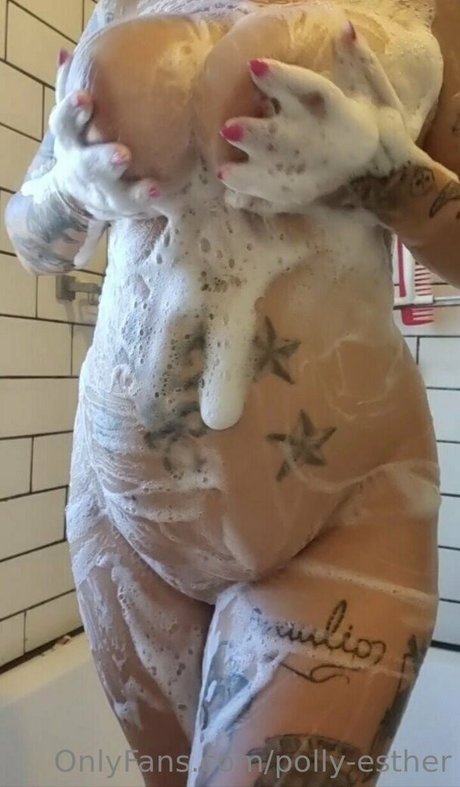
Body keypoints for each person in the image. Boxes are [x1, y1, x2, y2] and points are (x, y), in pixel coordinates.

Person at [5, 1, 460, 785]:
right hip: (123, 515)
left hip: (341, 515)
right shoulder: (121, 5)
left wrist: (386, 174)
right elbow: (32, 238)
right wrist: (73, 192)